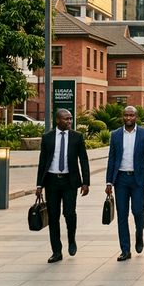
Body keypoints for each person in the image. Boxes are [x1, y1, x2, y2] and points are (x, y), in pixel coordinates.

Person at [35, 108, 90, 263]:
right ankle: (56, 251)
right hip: (51, 182)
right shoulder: (47, 138)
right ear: (58, 120)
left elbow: (84, 160)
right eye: (66, 119)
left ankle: (71, 239)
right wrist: (39, 185)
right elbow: (42, 162)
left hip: (69, 182)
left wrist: (85, 182)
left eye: (70, 118)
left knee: (69, 213)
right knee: (53, 217)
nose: (69, 121)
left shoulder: (77, 137)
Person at [105, 106, 144, 261]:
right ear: (123, 116)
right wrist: (109, 182)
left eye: (131, 115)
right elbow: (111, 159)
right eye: (126, 115)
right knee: (122, 214)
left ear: (136, 117)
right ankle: (125, 250)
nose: (128, 118)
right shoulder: (115, 135)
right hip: (120, 179)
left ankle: (139, 233)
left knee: (138, 210)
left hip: (138, 179)